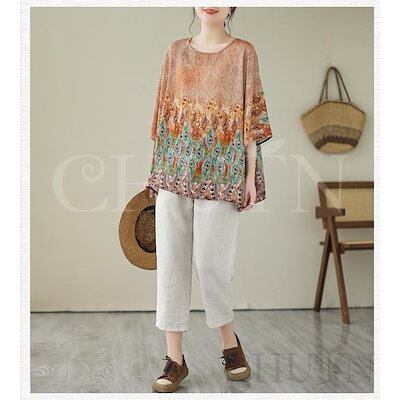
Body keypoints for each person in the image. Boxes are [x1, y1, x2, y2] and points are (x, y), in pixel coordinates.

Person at [144, 7, 273, 393]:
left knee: (212, 263)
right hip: (174, 170)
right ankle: (175, 360)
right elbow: (164, 116)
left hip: (223, 170)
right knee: (171, 262)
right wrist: (157, 170)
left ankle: (229, 344)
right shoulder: (175, 52)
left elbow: (251, 117)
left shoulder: (243, 53)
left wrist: (250, 176)